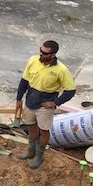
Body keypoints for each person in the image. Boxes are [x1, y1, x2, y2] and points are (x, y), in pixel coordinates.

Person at [14, 39, 76, 169]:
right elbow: (24, 80)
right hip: (31, 100)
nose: (41, 54)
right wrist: (19, 99)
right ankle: (31, 151)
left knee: (44, 130)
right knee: (31, 126)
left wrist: (55, 103)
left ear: (53, 55)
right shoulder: (33, 60)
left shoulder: (61, 70)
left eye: (45, 53)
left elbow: (70, 91)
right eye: (40, 51)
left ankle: (39, 156)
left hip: (44, 105)